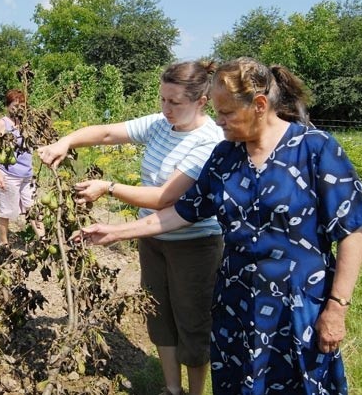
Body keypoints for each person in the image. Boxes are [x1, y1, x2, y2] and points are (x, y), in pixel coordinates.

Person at [80, 57, 362, 394]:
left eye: (227, 113)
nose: (218, 120)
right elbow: (182, 211)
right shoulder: (225, 156)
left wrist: (336, 306)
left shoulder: (316, 149)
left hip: (299, 304)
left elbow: (351, 231)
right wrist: (115, 232)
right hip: (236, 303)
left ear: (259, 105)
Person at [38, 61, 224, 395]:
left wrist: (108, 187)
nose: (166, 108)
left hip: (194, 245)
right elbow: (108, 133)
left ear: (201, 101)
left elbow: (164, 198)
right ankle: (171, 388)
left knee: (193, 323)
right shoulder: (160, 124)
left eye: (175, 102)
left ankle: (195, 392)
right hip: (151, 237)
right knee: (158, 315)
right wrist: (65, 142)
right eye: (163, 99)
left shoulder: (209, 142)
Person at [0, 89, 42, 246]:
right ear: (8, 106)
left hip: (27, 175)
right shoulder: (2, 124)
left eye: (21, 105)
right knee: (6, 211)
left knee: (33, 209)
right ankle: (3, 243)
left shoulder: (27, 124)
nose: (18, 108)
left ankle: (43, 239)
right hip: (8, 175)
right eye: (14, 105)